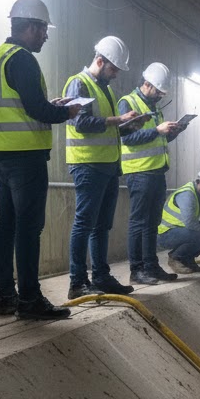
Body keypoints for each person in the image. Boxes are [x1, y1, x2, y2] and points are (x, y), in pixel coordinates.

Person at [0, 0, 80, 320]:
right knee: (28, 228)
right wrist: (68, 110)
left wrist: (49, 104)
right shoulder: (23, 59)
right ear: (31, 27)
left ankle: (4, 297)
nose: (45, 37)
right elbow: (37, 110)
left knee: (6, 225)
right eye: (43, 31)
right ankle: (30, 301)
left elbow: (23, 105)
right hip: (25, 157)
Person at [63, 36, 139, 299]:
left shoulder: (105, 88)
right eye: (113, 69)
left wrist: (127, 125)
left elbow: (106, 125)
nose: (115, 74)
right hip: (87, 163)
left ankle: (101, 276)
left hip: (106, 165)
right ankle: (77, 281)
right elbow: (80, 123)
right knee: (84, 223)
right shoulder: (78, 83)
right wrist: (117, 119)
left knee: (101, 225)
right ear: (99, 60)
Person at [118, 62, 186, 285]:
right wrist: (157, 130)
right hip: (140, 172)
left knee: (151, 223)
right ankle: (136, 270)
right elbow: (127, 138)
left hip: (157, 171)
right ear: (146, 84)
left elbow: (158, 139)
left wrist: (172, 132)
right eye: (158, 91)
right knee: (138, 222)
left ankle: (151, 266)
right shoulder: (128, 103)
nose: (159, 96)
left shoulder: (155, 108)